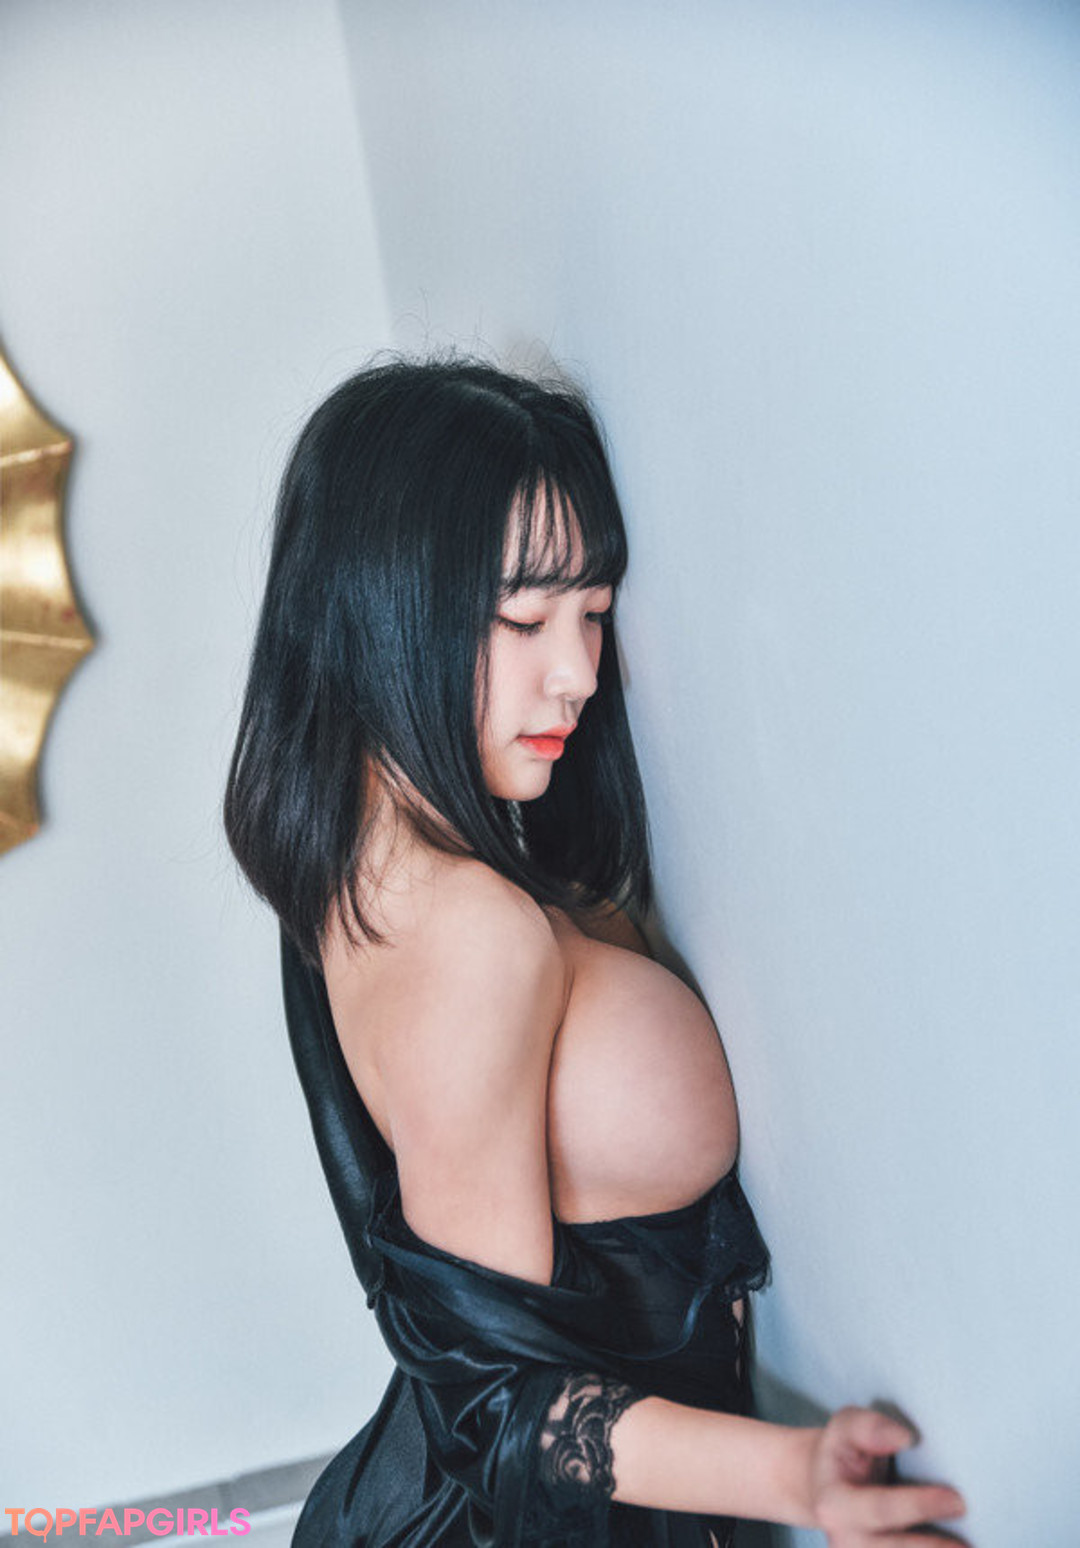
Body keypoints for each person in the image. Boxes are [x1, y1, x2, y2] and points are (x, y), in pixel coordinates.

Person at [224, 359, 968, 1547]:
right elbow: (497, 1413)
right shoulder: (467, 934)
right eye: (523, 619)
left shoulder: (361, 868)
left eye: (595, 613)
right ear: (383, 609)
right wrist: (800, 1480)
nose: (576, 673)